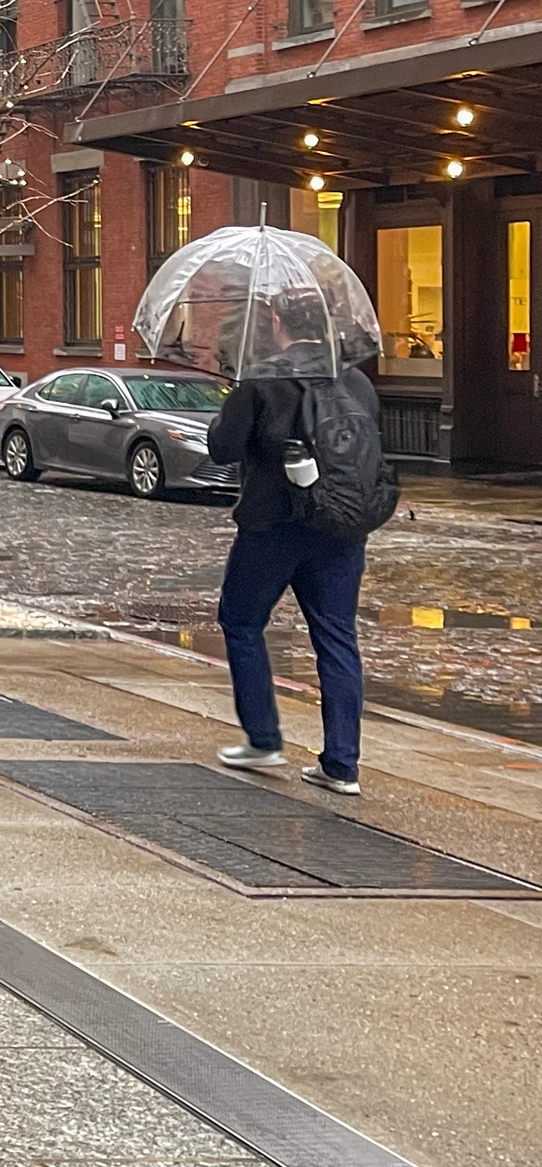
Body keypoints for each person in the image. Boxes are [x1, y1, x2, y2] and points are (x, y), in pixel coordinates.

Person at [206, 295, 378, 796]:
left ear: (278, 324)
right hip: (340, 528)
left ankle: (264, 739)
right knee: (337, 637)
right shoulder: (355, 381)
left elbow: (223, 447)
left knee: (241, 621)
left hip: (273, 526)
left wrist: (233, 400)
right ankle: (342, 765)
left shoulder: (261, 381)